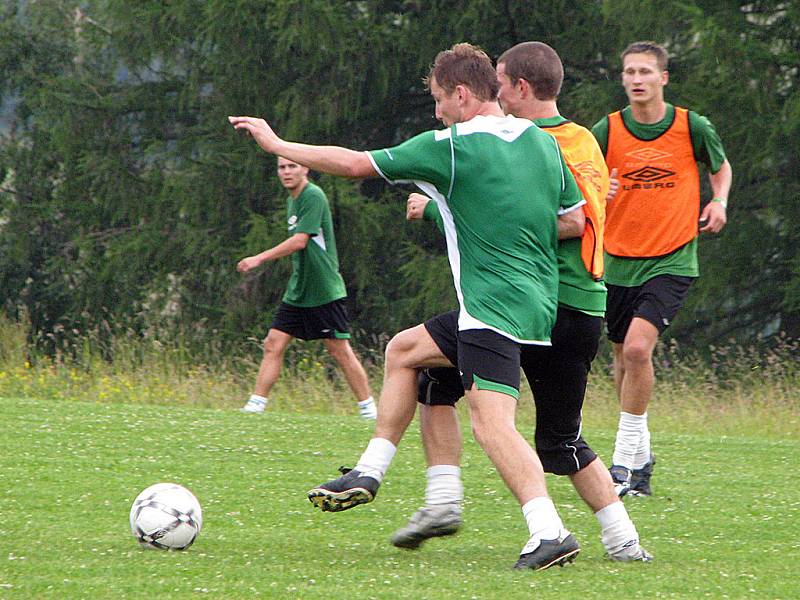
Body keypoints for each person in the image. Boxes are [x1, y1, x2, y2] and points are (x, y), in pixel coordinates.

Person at [230, 42, 587, 570]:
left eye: (440, 100)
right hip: (539, 302)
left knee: (493, 425)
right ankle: (372, 471)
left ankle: (549, 530)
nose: (437, 112)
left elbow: (354, 164)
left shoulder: (451, 146)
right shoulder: (541, 143)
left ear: (462, 95)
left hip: (494, 308)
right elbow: (574, 220)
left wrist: (276, 142)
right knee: (406, 351)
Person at [395, 41, 650, 563]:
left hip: (541, 302)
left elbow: (563, 220)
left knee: (421, 363)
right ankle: (624, 541)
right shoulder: (580, 139)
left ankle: (444, 498)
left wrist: (458, 212)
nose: (498, 92)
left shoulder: (534, 142)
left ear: (521, 88)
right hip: (578, 304)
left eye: (503, 82)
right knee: (558, 439)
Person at [591, 41, 732, 496]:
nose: (636, 79)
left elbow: (721, 167)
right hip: (616, 260)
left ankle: (621, 461)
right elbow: (580, 179)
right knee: (620, 357)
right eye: (629, 71)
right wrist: (601, 190)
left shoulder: (692, 126)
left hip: (672, 257)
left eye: (645, 72)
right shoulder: (608, 130)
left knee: (636, 349)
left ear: (663, 78)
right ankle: (642, 459)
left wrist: (720, 200)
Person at [237, 157, 376, 420]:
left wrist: (259, 258)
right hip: (299, 290)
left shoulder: (313, 196)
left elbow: (299, 242)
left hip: (323, 290)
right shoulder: (293, 199)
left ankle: (369, 410)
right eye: (282, 167)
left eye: (292, 166)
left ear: (305, 168)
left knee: (339, 350)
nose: (287, 172)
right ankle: (255, 406)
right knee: (273, 344)